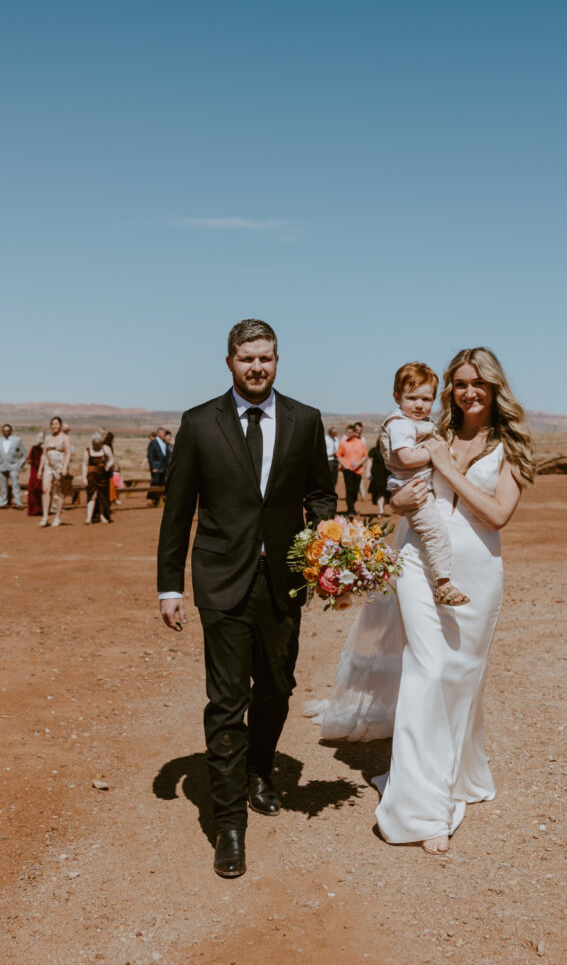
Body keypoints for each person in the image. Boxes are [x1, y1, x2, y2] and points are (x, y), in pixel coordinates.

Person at [310, 347, 535, 855]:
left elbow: (499, 515)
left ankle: (458, 773)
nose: (468, 392)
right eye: (459, 384)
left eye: (478, 383)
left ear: (495, 388)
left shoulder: (511, 443)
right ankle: (420, 806)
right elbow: (399, 494)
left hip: (476, 568)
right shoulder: (428, 432)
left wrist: (445, 467)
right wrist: (396, 501)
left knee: (460, 678)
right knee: (428, 669)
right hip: (415, 557)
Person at [157, 318, 336, 880]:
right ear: (229, 362)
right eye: (247, 358)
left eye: (267, 358)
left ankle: (261, 767)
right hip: (221, 578)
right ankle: (230, 823)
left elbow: (320, 492)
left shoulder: (305, 420)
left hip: (284, 577)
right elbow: (178, 508)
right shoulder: (198, 422)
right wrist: (169, 584)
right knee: (227, 698)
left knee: (278, 686)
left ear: (277, 361)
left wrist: (329, 546)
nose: (257, 367)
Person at [380, 362, 467, 606]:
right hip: (413, 489)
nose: (419, 405)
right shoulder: (400, 424)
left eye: (426, 399)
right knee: (434, 533)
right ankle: (443, 584)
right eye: (412, 398)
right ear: (397, 397)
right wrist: (435, 453)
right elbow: (406, 458)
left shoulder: (415, 422)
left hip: (417, 485)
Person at [37, 416, 72, 526]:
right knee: (45, 489)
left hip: (60, 466)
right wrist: (40, 469)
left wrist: (65, 467)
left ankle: (57, 517)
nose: (54, 426)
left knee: (59, 491)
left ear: (60, 425)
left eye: (57, 424)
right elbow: (43, 455)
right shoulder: (47, 438)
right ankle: (45, 516)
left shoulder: (65, 437)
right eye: (53, 424)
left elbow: (68, 453)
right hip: (49, 465)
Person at [336, 424, 368, 515]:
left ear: (354, 433)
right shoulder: (343, 443)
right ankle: (350, 510)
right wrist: (344, 465)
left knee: (355, 490)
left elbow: (365, 455)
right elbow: (338, 455)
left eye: (349, 432)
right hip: (347, 470)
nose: (347, 434)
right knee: (349, 489)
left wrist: (358, 464)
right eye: (346, 432)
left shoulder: (361, 443)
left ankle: (352, 507)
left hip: (358, 470)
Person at [82, 434, 114, 524]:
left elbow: (111, 459)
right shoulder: (88, 451)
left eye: (98, 444)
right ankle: (89, 517)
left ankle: (102, 515)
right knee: (92, 495)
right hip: (92, 475)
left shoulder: (106, 449)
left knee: (102, 497)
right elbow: (84, 464)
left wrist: (108, 465)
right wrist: (84, 478)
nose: (97, 446)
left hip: (103, 476)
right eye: (95, 444)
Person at [0, 424, 27, 509]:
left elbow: (24, 453)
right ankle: (3, 502)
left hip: (13, 466)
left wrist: (20, 465)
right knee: (2, 485)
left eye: (8, 430)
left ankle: (18, 503)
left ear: (11, 431)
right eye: (4, 431)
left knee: (15, 484)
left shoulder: (17, 440)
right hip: (1, 466)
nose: (6, 432)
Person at [367, 434, 391, 517]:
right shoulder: (374, 450)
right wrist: (368, 472)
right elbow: (369, 462)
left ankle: (382, 509)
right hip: (377, 474)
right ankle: (381, 510)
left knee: (385, 493)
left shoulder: (389, 451)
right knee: (379, 492)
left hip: (387, 474)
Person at [146, 428, 170, 506]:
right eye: (162, 433)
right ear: (158, 433)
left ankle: (156, 500)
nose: (163, 434)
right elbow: (150, 456)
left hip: (164, 467)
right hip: (156, 467)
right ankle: (149, 498)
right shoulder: (153, 443)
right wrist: (153, 467)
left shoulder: (164, 443)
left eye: (164, 433)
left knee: (161, 483)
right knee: (155, 482)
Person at [26, 432, 44, 516]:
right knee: (33, 488)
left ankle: (41, 509)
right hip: (34, 470)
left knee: (41, 489)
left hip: (43, 469)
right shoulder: (34, 448)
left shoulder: (45, 448)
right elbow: (29, 459)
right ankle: (33, 509)